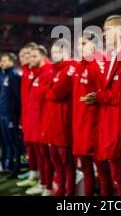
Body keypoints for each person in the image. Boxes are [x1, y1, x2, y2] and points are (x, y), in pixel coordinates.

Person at [82, 15, 121, 196]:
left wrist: (99, 96)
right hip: (111, 128)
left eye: (107, 30)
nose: (104, 35)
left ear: (120, 30)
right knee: (118, 177)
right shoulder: (112, 56)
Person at [73, 31, 112, 196]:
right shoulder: (79, 66)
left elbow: (106, 94)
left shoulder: (99, 63)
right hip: (81, 128)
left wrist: (97, 97)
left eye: (84, 44)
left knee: (103, 173)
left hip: (95, 129)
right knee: (87, 170)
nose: (79, 48)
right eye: (78, 45)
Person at [42, 39, 76, 196]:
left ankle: (69, 194)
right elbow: (48, 93)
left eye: (59, 51)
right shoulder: (53, 70)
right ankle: (59, 192)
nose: (55, 54)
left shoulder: (70, 68)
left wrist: (49, 92)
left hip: (63, 126)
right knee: (58, 165)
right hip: (52, 125)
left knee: (67, 165)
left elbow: (56, 93)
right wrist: (49, 92)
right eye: (53, 51)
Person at [23, 45, 54, 196]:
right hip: (33, 122)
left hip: (42, 123)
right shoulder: (36, 72)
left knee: (45, 157)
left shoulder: (48, 73)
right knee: (39, 156)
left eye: (34, 56)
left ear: (42, 56)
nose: (30, 59)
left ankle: (47, 186)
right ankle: (42, 183)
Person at [17, 43, 40, 187]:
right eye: (21, 55)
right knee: (30, 148)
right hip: (27, 117)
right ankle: (33, 172)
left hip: (37, 119)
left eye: (27, 55)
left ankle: (41, 179)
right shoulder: (26, 71)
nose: (24, 58)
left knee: (41, 152)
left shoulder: (39, 71)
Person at [0, 52, 22, 178]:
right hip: (3, 114)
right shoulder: (5, 76)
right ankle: (9, 166)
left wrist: (17, 115)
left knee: (14, 142)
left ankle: (16, 168)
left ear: (12, 61)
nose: (2, 63)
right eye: (1, 61)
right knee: (7, 142)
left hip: (11, 115)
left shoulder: (14, 75)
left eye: (5, 60)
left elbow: (18, 97)